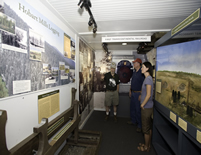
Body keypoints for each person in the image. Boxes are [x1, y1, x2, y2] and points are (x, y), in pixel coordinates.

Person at [137, 61, 154, 152]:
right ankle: (147, 144)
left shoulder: (148, 79)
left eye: (143, 67)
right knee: (148, 127)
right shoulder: (148, 78)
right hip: (148, 106)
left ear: (147, 68)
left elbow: (148, 95)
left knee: (145, 129)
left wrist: (142, 104)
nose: (141, 68)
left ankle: (146, 147)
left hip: (146, 107)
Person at [128, 58, 144, 132]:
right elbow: (132, 82)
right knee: (132, 108)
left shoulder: (141, 72)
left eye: (135, 63)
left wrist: (141, 94)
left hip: (138, 93)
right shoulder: (134, 72)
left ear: (139, 64)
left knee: (138, 110)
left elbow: (143, 85)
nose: (134, 64)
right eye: (134, 63)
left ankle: (139, 125)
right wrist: (130, 90)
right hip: (133, 92)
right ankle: (133, 121)